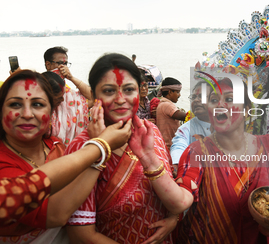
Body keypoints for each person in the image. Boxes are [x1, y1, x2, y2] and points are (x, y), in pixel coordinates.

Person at [0, 70, 132, 243]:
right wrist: (101, 147)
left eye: (38, 104)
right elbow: (54, 214)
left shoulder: (56, 145)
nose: (27, 114)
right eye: (15, 104)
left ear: (53, 111)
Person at [65, 53, 179, 244]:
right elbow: (81, 234)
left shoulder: (151, 132)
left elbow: (169, 187)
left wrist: (174, 219)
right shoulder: (82, 148)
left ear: (139, 91)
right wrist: (100, 149)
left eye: (128, 89)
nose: (120, 99)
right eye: (109, 91)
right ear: (93, 95)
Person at [174, 77, 269, 244]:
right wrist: (153, 165)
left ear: (247, 110)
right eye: (213, 100)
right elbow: (183, 196)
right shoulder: (198, 151)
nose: (220, 105)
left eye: (229, 99)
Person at [44, 47, 91, 145]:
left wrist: (71, 77)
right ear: (48, 65)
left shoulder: (69, 95)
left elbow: (92, 97)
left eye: (66, 64)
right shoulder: (38, 87)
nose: (64, 67)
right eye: (60, 63)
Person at [170, 81, 211, 177]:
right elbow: (179, 145)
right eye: (193, 97)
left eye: (201, 96)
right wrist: (177, 165)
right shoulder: (185, 129)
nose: (196, 100)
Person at [156, 77, 186, 150]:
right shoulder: (167, 105)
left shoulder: (163, 103)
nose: (179, 95)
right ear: (170, 92)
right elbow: (183, 116)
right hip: (169, 146)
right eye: (178, 92)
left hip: (168, 145)